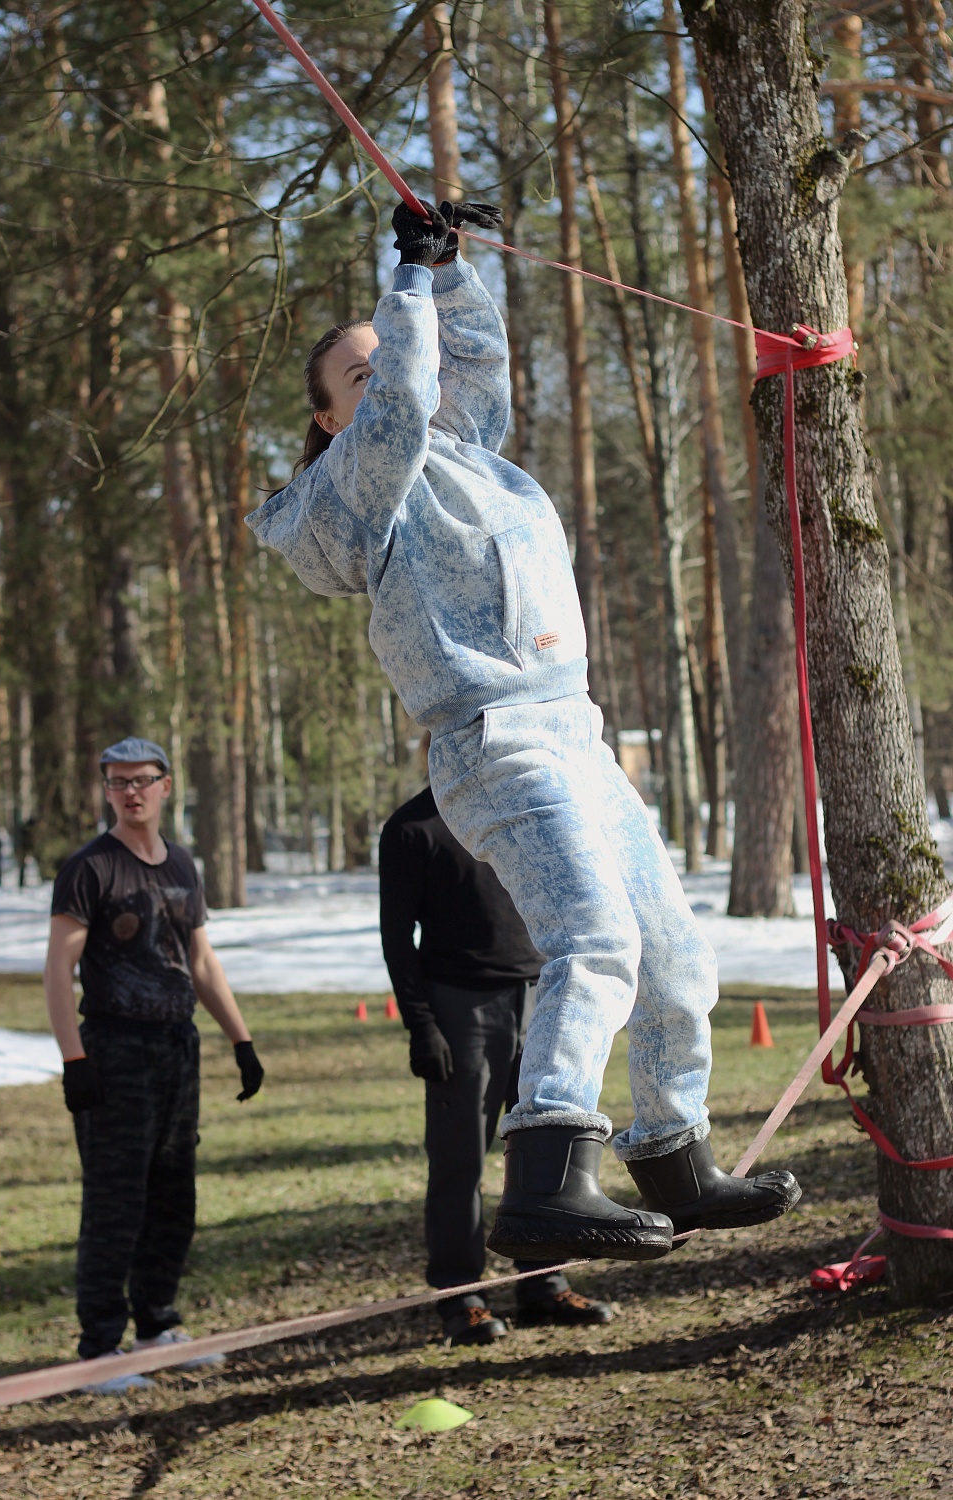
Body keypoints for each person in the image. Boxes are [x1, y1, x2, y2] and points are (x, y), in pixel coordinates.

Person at [247, 200, 800, 1264]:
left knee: (677, 963)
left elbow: (469, 363)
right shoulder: (358, 486)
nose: (387, 378)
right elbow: (402, 398)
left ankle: (674, 1160)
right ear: (328, 418)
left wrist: (447, 274)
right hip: (491, 737)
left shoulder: (467, 449)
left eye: (384, 362)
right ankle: (546, 1176)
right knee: (593, 943)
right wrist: (401, 283)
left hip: (576, 734)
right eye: (353, 378)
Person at [44, 736, 265, 1394]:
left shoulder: (183, 866)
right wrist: (74, 1058)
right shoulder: (90, 868)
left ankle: (156, 1326)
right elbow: (59, 968)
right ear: (106, 791)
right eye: (117, 782)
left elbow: (200, 962)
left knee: (174, 1194)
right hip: (114, 1049)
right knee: (116, 1200)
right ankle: (100, 1349)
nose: (130, 791)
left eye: (142, 779)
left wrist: (241, 1041)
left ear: (167, 786)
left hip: (177, 1046)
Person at [380, 750, 612, 1345]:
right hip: (461, 1011)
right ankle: (462, 1298)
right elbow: (396, 941)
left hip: (540, 998)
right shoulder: (411, 829)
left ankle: (544, 1285)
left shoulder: (519, 817)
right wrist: (422, 1025)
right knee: (459, 1163)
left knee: (544, 1154)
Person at [15, 815, 38, 888]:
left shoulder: (27, 829)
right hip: (24, 848)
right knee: (22, 866)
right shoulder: (27, 829)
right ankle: (21, 881)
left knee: (23, 866)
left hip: (25, 848)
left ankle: (22, 881)